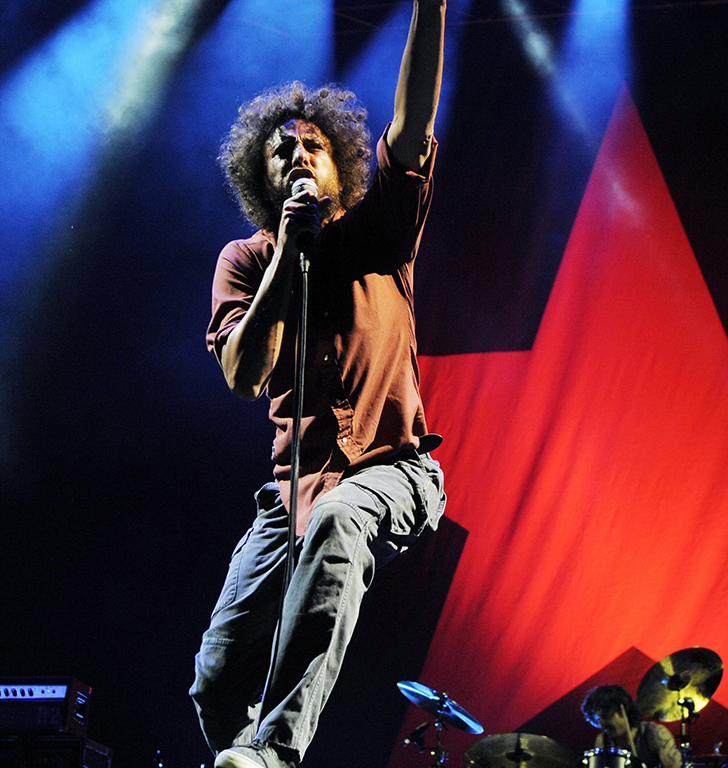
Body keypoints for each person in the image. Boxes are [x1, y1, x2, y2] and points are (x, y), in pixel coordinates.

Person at [188, 2, 447, 767]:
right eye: (280, 150)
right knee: (214, 679)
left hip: (394, 470)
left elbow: (412, 117)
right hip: (287, 494)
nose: (298, 154)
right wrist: (283, 260)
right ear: (259, 177)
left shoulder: (379, 233)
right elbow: (246, 375)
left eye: (312, 144)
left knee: (340, 518)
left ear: (339, 164)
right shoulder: (243, 260)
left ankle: (276, 752)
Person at [582, 685, 683, 768]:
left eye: (606, 716)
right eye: (596, 719)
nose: (602, 723)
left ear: (624, 710)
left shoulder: (654, 733)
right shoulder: (603, 741)